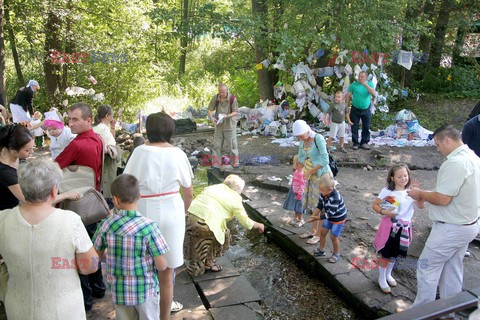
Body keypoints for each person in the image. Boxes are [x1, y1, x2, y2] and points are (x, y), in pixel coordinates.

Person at [0, 157, 99, 320]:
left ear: (22, 188)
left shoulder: (2, 219)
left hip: (18, 308)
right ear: (54, 190)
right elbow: (90, 266)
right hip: (63, 310)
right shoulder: (71, 221)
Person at [124, 112, 194, 315]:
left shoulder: (139, 152)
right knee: (167, 272)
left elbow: (126, 184)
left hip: (143, 211)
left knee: (141, 267)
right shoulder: (178, 154)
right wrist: (182, 215)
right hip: (172, 212)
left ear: (149, 130)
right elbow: (188, 193)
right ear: (171, 130)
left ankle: (144, 313)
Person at [407, 125, 480, 308]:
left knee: (427, 267)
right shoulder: (473, 157)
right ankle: (448, 311)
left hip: (451, 228)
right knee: (452, 267)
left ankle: (421, 312)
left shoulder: (455, 163)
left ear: (447, 140)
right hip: (468, 223)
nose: (438, 149)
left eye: (438, 144)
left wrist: (420, 193)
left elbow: (442, 199)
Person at [93, 174, 169, 320]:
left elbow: (95, 257)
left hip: (120, 292)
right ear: (139, 196)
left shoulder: (106, 225)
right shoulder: (149, 227)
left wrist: (111, 256)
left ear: (115, 200)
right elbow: (162, 265)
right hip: (146, 291)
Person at [55, 102, 105, 311]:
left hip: (76, 205)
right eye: (69, 119)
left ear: (89, 120)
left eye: (75, 119)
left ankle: (85, 300)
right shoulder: (98, 139)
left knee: (78, 251)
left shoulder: (76, 145)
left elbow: (53, 168)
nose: (70, 123)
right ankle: (99, 288)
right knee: (92, 247)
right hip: (94, 202)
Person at [185, 174, 265, 276]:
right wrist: (258, 225)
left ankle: (200, 265)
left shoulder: (212, 188)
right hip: (206, 223)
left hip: (191, 217)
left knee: (197, 244)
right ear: (238, 189)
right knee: (223, 234)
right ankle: (207, 264)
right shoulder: (235, 198)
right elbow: (245, 221)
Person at [372, 164, 425, 293]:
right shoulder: (387, 191)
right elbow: (375, 205)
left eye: (405, 175)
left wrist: (418, 194)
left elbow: (421, 206)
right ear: (392, 178)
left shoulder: (410, 192)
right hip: (390, 227)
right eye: (399, 176)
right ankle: (382, 277)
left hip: (404, 228)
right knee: (385, 253)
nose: (403, 178)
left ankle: (388, 274)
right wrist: (385, 213)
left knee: (395, 253)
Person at [292, 120, 332, 245]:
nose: (300, 139)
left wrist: (311, 170)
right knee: (315, 205)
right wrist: (302, 167)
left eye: (301, 136)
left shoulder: (318, 139)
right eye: (298, 137)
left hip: (322, 175)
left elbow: (325, 160)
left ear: (307, 131)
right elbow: (301, 156)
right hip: (310, 175)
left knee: (321, 205)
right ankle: (313, 230)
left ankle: (319, 234)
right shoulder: (302, 142)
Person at [306, 173, 347, 263]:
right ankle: (321, 250)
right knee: (322, 232)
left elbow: (330, 214)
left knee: (333, 236)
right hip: (330, 217)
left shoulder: (335, 198)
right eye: (320, 190)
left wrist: (315, 218)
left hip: (338, 219)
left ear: (331, 189)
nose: (321, 192)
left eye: (323, 190)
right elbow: (320, 206)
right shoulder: (323, 194)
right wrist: (313, 215)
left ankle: (336, 253)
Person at [208, 83, 239, 169]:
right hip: (219, 124)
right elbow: (210, 109)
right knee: (216, 145)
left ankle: (235, 163)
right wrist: (211, 118)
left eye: (223, 92)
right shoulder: (216, 98)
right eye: (220, 92)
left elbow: (236, 112)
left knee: (232, 145)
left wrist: (227, 116)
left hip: (230, 124)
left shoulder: (232, 98)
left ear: (227, 91)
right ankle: (215, 164)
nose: (222, 94)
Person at [93, 105, 119, 202]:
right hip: (106, 162)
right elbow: (111, 145)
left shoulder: (96, 127)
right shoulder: (103, 128)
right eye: (112, 115)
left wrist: (112, 127)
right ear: (107, 115)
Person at [345, 71, 376, 150]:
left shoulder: (370, 84)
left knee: (366, 126)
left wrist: (365, 84)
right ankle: (355, 143)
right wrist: (346, 106)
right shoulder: (353, 85)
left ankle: (364, 142)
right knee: (354, 126)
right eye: (359, 76)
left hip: (366, 108)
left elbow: (373, 92)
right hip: (355, 108)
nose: (360, 78)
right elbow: (348, 96)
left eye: (362, 77)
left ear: (366, 77)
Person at [283, 155, 306, 227]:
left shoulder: (301, 174)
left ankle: (300, 220)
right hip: (294, 192)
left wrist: (300, 195)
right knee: (295, 206)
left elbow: (302, 186)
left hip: (299, 194)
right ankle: (296, 218)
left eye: (293, 163)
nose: (293, 165)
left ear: (298, 165)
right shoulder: (296, 172)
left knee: (299, 208)